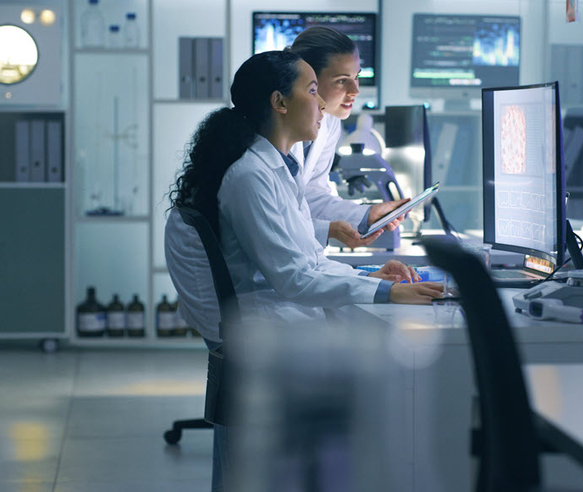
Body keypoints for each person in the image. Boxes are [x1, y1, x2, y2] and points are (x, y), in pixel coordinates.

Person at [165, 50, 442, 491]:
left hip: (277, 315)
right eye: (314, 90)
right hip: (271, 327)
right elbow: (293, 277)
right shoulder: (250, 176)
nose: (323, 104)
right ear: (280, 102)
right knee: (402, 368)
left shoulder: (275, 167)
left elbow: (305, 260)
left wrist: (369, 279)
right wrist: (389, 294)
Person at [288, 26, 412, 250]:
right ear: (308, 81)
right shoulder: (271, 135)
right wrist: (330, 231)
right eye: (342, 80)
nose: (355, 90)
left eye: (357, 77)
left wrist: (368, 215)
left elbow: (312, 195)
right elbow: (279, 220)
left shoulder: (330, 121)